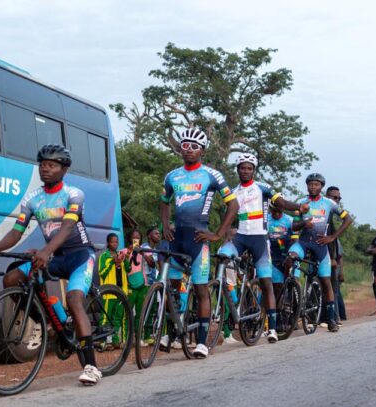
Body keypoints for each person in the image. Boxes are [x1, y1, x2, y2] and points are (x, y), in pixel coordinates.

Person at [0, 145, 101, 386]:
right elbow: (16, 231)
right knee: (12, 279)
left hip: (80, 255)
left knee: (75, 299)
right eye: (43, 164)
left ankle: (91, 366)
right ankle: (44, 323)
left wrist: (46, 251)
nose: (46, 169)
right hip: (54, 256)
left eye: (52, 165)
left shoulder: (74, 194)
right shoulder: (32, 198)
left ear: (64, 169)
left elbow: (68, 227)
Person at [160, 127, 239, 358]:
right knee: (172, 290)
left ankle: (202, 342)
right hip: (177, 239)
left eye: (194, 147)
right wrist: (165, 226)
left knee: (200, 289)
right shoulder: (172, 176)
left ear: (202, 150)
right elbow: (164, 202)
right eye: (185, 146)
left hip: (199, 239)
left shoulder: (212, 175)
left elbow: (233, 205)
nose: (189, 150)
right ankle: (171, 332)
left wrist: (216, 234)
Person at [220, 153, 304, 342]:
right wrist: (225, 237)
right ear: (238, 169)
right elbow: (229, 217)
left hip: (259, 239)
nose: (245, 171)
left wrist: (299, 206)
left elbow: (282, 203)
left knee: (267, 284)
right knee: (222, 256)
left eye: (249, 168)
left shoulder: (262, 188)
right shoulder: (233, 191)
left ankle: (272, 328)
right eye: (242, 167)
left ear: (254, 171)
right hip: (240, 237)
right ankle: (228, 306)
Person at [289, 173, 353, 332]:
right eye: (310, 184)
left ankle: (331, 319)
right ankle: (292, 296)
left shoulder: (329, 203)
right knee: (291, 257)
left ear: (321, 187)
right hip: (303, 243)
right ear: (307, 186)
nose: (313, 187)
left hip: (321, 245)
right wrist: (304, 223)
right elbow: (294, 226)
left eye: (316, 185)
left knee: (326, 281)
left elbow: (348, 219)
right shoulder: (301, 203)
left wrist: (332, 236)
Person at [97, 232, 129, 349]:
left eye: (116, 242)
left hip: (121, 292)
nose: (115, 244)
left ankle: (115, 341)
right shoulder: (104, 256)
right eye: (112, 241)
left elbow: (128, 269)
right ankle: (103, 341)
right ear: (108, 243)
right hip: (109, 292)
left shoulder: (120, 254)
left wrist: (125, 259)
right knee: (106, 317)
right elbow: (102, 272)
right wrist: (112, 261)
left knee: (118, 317)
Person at [325, 186, 347, 324]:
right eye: (334, 197)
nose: (337, 200)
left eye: (339, 198)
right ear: (327, 197)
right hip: (318, 256)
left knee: (333, 290)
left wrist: (335, 262)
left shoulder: (332, 221)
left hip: (331, 261)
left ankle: (336, 317)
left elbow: (340, 254)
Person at [268, 203, 297, 305]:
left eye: (279, 212)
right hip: (273, 254)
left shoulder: (289, 220)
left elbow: (295, 240)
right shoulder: (266, 220)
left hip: (287, 251)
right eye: (274, 211)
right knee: (277, 286)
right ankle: (277, 309)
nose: (276, 214)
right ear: (270, 209)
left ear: (284, 209)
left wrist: (289, 253)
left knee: (294, 281)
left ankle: (295, 307)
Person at [126, 229, 149, 341]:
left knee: (140, 313)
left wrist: (142, 253)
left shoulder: (143, 252)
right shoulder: (123, 251)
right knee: (128, 312)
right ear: (129, 239)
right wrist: (129, 252)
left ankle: (138, 338)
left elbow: (153, 264)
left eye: (138, 238)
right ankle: (127, 338)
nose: (136, 240)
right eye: (134, 238)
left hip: (143, 285)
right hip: (129, 286)